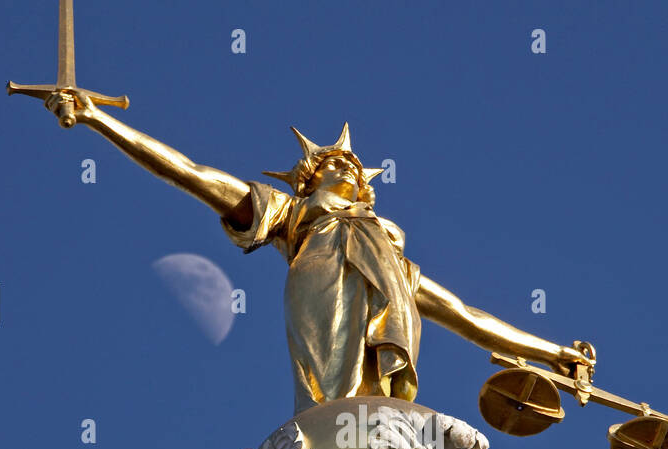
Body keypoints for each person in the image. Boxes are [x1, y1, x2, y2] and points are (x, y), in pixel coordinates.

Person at [45, 95, 591, 412]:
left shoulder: (392, 259)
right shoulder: (291, 216)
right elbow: (189, 172)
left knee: (376, 407)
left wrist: (550, 354)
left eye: (353, 168)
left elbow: (467, 317)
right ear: (306, 180)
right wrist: (98, 118)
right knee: (331, 403)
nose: (346, 169)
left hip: (377, 294)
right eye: (332, 165)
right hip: (317, 284)